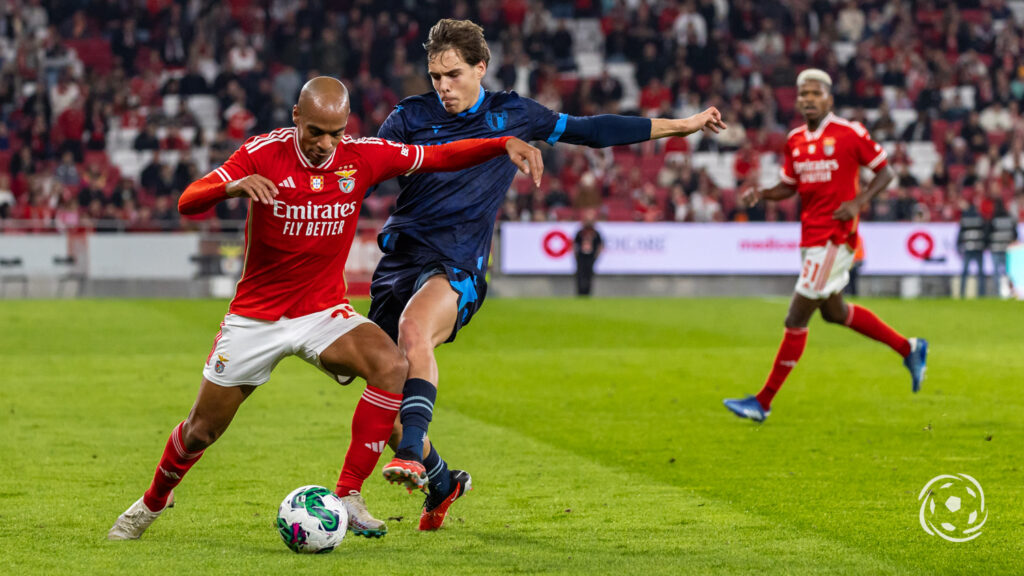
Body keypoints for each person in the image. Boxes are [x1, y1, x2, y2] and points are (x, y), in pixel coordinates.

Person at [107, 77, 544, 541]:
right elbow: (187, 201)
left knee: (392, 364)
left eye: (335, 132)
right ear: (296, 117)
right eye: (315, 131)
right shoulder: (262, 153)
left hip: (322, 312)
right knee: (201, 430)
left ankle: (350, 493)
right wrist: (234, 186)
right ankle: (153, 500)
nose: (324, 144)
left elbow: (439, 156)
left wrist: (502, 144)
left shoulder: (362, 157)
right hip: (256, 318)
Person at [369, 18, 726, 530]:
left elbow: (590, 130)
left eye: (452, 74)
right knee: (386, 393)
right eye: (434, 77)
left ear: (480, 68)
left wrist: (679, 125)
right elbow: (368, 169)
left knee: (414, 330)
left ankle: (404, 455)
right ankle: (442, 480)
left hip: (457, 262)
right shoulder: (408, 117)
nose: (443, 86)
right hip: (401, 259)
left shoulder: (513, 113)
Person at [722, 69, 928, 423]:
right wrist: (763, 193)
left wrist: (858, 201)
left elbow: (886, 172)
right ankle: (908, 348)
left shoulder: (850, 134)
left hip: (835, 237)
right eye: (803, 94)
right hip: (811, 237)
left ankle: (763, 402)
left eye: (816, 93)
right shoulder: (795, 139)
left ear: (829, 99)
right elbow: (790, 184)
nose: (808, 99)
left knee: (796, 316)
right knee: (835, 313)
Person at [957, 200, 987, 298]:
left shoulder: (965, 219)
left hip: (968, 248)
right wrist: (985, 245)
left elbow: (960, 234)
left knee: (965, 272)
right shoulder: (980, 218)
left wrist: (958, 246)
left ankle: (962, 293)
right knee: (981, 273)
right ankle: (981, 294)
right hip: (978, 248)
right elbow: (985, 233)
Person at [574, 209, 604, 296]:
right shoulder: (580, 232)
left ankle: (588, 293)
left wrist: (595, 256)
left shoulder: (596, 233)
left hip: (590, 257)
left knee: (589, 275)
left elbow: (600, 245)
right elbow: (574, 245)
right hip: (581, 256)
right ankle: (580, 293)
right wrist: (576, 256)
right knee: (580, 275)